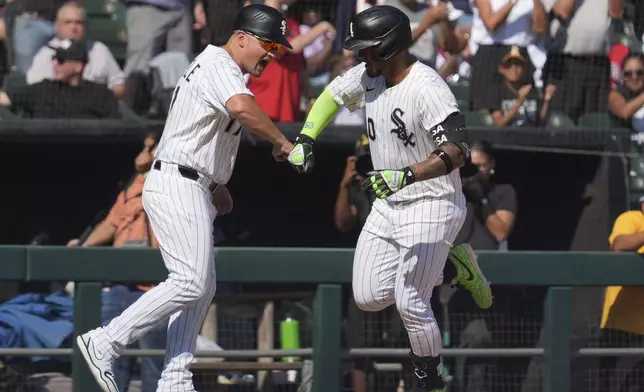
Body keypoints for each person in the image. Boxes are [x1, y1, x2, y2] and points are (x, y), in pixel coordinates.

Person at [76, 4, 293, 392]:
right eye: (268, 45)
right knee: (191, 280)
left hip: (190, 181)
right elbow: (242, 109)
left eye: (277, 50)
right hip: (175, 181)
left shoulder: (221, 66)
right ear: (242, 37)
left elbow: (197, 132)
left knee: (202, 285)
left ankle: (175, 379)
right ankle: (105, 341)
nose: (271, 56)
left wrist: (214, 185)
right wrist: (281, 141)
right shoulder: (219, 65)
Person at [287, 6, 492, 391]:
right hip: (389, 200)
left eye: (366, 48)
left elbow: (459, 150)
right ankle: (455, 268)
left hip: (433, 200)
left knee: (411, 300)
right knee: (367, 296)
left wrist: (408, 173)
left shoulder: (428, 86)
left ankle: (430, 379)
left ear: (389, 47)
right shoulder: (368, 76)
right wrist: (306, 138)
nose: (358, 55)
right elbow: (332, 94)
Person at [67, 132, 167, 392]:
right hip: (120, 284)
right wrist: (84, 245)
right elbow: (113, 222)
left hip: (156, 288)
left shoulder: (174, 181)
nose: (143, 154)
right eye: (143, 148)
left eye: (150, 148)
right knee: (111, 360)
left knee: (154, 361)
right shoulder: (131, 186)